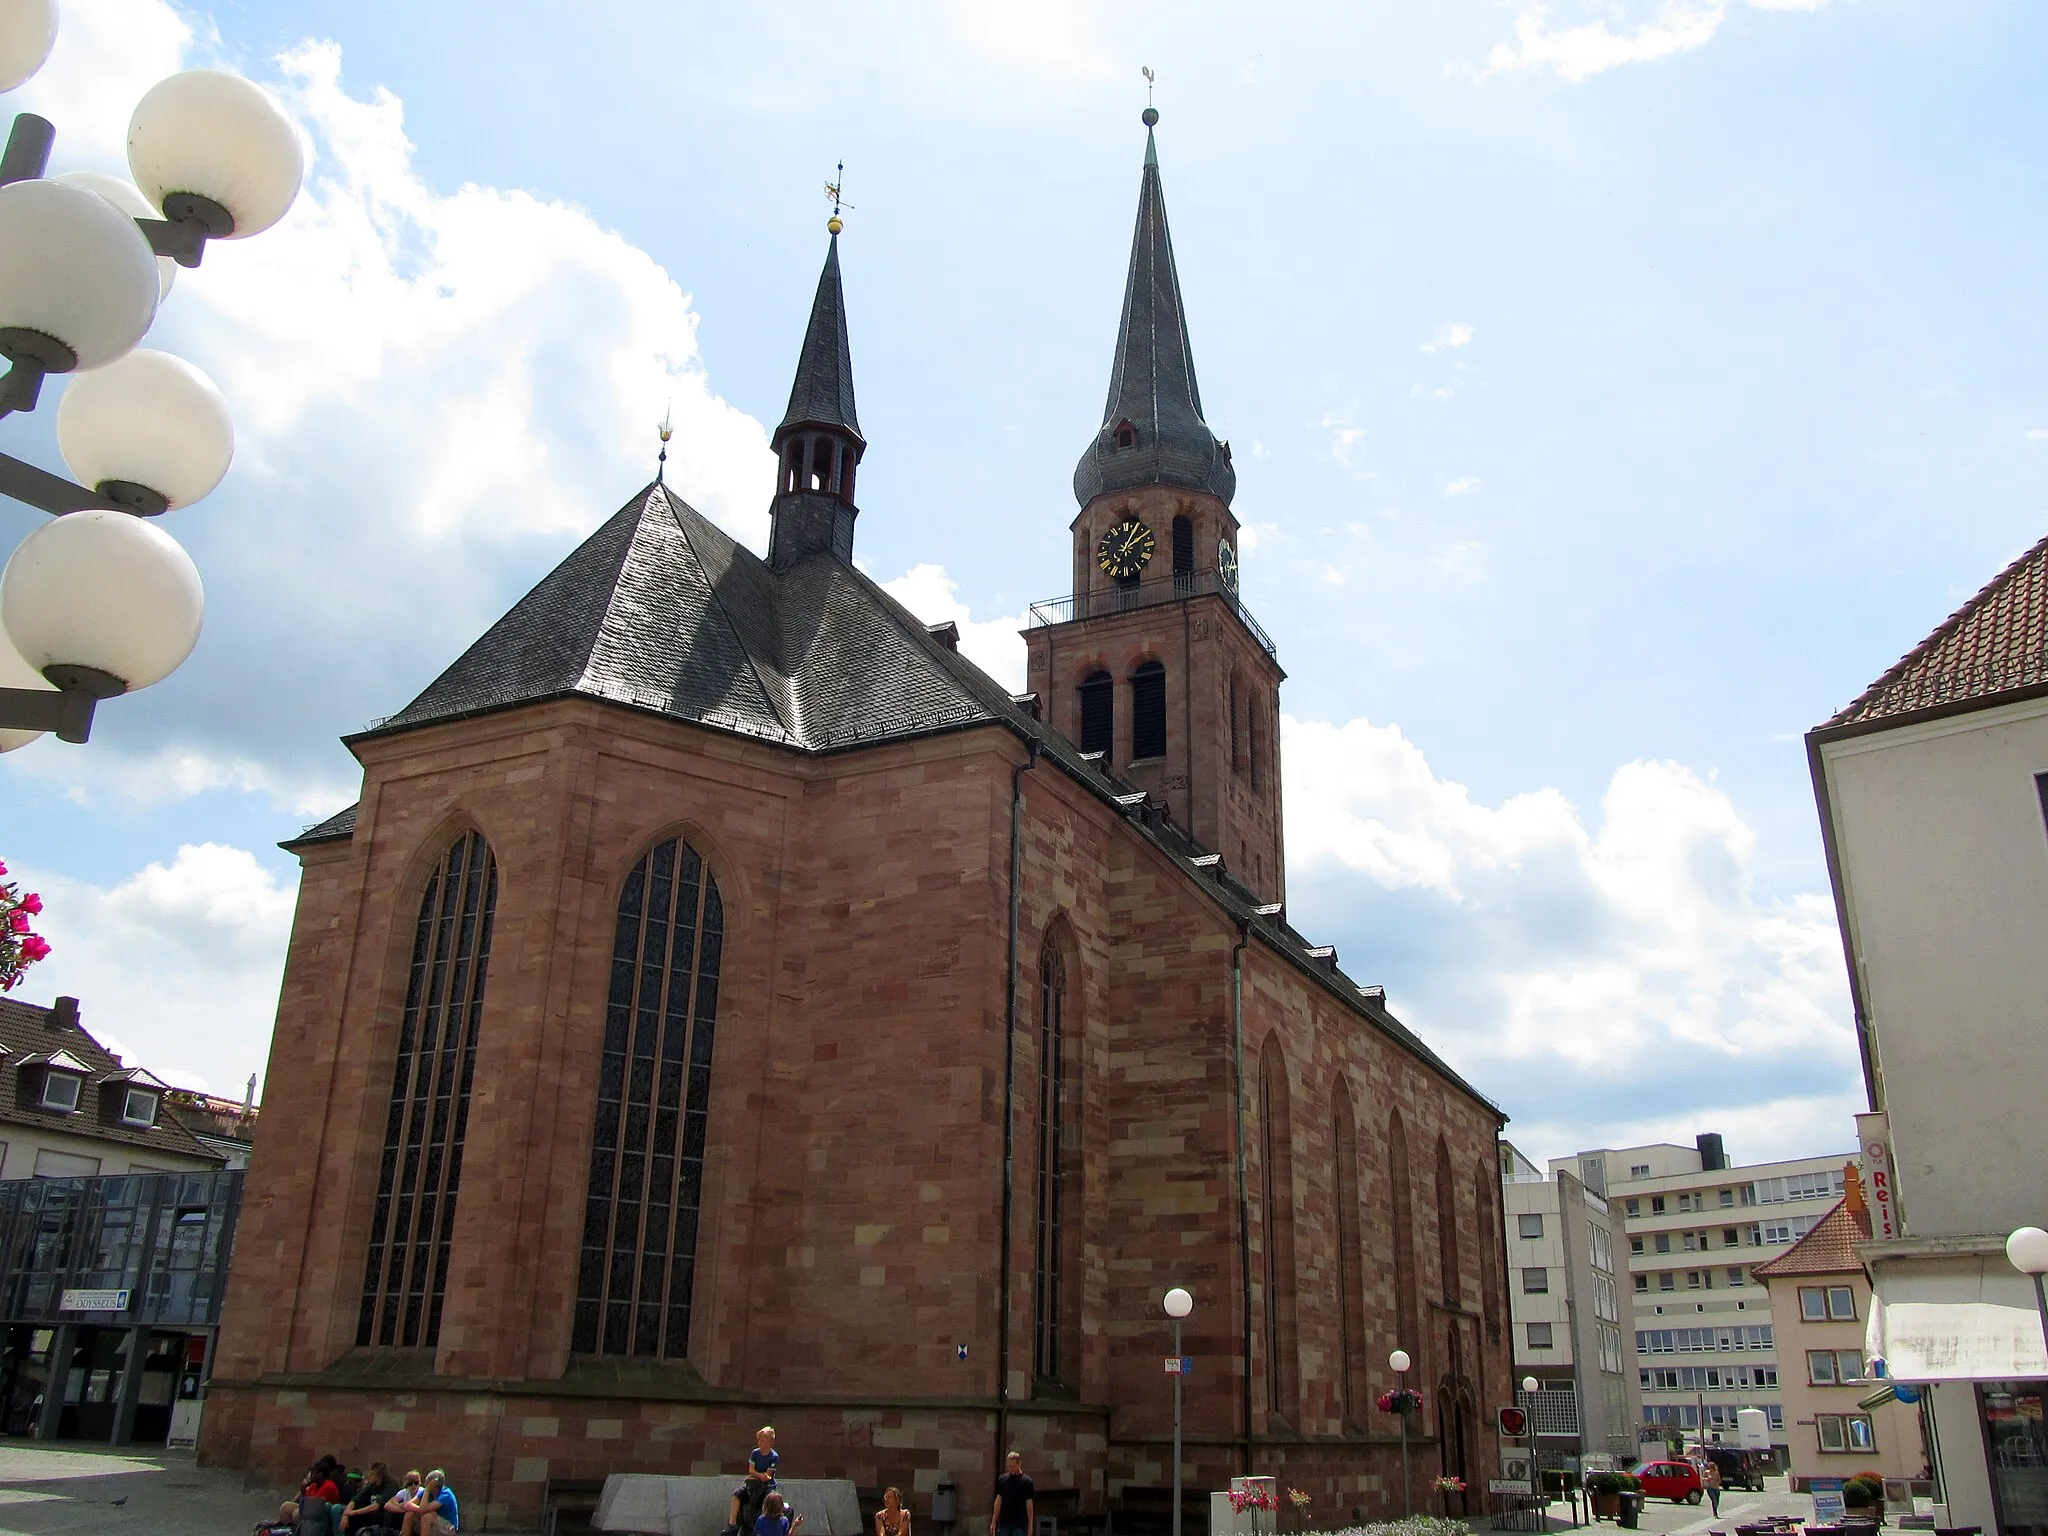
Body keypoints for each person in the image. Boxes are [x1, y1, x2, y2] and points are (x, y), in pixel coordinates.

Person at [723, 1425, 780, 1536]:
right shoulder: (755, 1453)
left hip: (768, 1485)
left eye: (762, 1440)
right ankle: (732, 1524)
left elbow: (768, 1476)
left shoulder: (774, 1456)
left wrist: (757, 1476)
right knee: (737, 1494)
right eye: (759, 1440)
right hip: (753, 1483)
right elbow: (751, 1471)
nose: (759, 1442)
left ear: (770, 1442)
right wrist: (759, 1476)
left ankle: (762, 1526)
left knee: (768, 1500)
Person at [344, 1463, 396, 1535]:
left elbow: (377, 1506)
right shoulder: (372, 1485)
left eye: (372, 1474)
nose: (368, 1476)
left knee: (372, 1512)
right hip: (371, 1515)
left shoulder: (390, 1485)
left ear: (379, 1476)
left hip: (383, 1518)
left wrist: (354, 1512)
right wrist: (346, 1514)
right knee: (348, 1512)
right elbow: (355, 1499)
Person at [400, 1470, 458, 1536]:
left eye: (427, 1482)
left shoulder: (445, 1494)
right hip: (432, 1524)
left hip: (448, 1528)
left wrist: (427, 1490)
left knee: (427, 1517)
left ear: (434, 1484)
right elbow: (407, 1505)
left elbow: (423, 1509)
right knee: (410, 1514)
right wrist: (420, 1509)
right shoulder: (425, 1492)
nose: (424, 1484)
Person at [990, 1452, 1034, 1536]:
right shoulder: (1003, 1480)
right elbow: (998, 1501)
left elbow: (1029, 1506)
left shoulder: (1027, 1482)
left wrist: (1030, 1526)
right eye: (1009, 1466)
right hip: (1004, 1523)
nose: (1010, 1468)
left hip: (1019, 1524)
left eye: (1013, 1466)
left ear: (1019, 1464)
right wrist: (993, 1521)